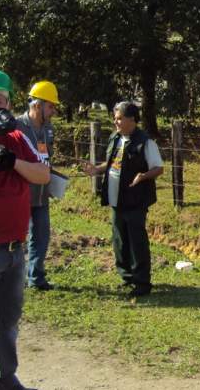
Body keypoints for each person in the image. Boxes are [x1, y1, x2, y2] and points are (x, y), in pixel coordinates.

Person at [0, 69, 50, 390]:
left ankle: (5, 378)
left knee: (6, 323)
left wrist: (11, 161)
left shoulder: (16, 137)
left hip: (13, 249)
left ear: (8, 102)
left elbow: (42, 174)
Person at [81, 101, 163, 297]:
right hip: (116, 198)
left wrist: (143, 176)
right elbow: (112, 164)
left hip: (135, 200)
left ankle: (142, 283)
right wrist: (97, 169)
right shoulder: (115, 138)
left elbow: (158, 168)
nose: (116, 122)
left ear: (132, 120)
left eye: (119, 118)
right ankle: (127, 277)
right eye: (115, 118)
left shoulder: (146, 142)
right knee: (120, 240)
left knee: (137, 241)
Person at [15, 81, 60, 291]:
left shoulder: (48, 129)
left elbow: (47, 157)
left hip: (41, 194)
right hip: (20, 193)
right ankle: (12, 277)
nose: (53, 111)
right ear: (37, 105)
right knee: (14, 238)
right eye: (50, 106)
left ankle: (36, 276)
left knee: (41, 235)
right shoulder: (16, 127)